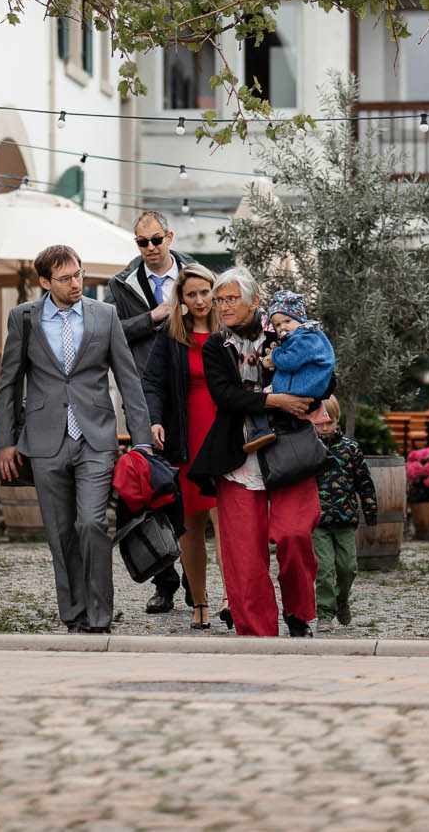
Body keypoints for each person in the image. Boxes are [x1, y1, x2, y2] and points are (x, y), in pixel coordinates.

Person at [0, 243, 151, 634]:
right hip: (45, 441)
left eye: (79, 274)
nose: (76, 282)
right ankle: (75, 613)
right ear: (45, 282)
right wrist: (4, 441)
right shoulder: (23, 319)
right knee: (60, 532)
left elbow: (129, 379)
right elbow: (8, 383)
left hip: (96, 437)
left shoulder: (105, 315)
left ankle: (100, 615)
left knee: (92, 524)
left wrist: (142, 440)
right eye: (65, 278)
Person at [188, 267, 322, 637]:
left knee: (295, 534)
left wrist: (304, 395)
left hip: (290, 451)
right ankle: (257, 636)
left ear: (255, 301)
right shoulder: (217, 345)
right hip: (237, 456)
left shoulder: (286, 332)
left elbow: (324, 379)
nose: (223, 306)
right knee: (244, 558)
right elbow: (224, 396)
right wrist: (276, 398)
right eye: (220, 300)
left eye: (231, 299)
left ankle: (299, 613)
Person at [106, 210, 194, 613]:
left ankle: (199, 585)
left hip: (192, 394)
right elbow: (113, 334)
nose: (151, 248)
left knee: (193, 488)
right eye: (143, 242)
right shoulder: (122, 284)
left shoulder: (196, 274)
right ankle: (165, 581)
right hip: (144, 395)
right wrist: (152, 317)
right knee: (152, 488)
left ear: (169, 236)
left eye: (157, 240)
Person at [140, 262, 224, 629]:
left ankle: (232, 597)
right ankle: (200, 603)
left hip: (225, 438)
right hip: (186, 439)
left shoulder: (231, 330)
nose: (200, 299)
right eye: (191, 294)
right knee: (190, 528)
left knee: (229, 524)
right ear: (182, 299)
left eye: (205, 291)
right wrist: (154, 420)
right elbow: (152, 382)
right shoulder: (172, 335)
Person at [310, 396, 378, 627]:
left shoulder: (351, 448)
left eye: (330, 421)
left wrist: (370, 512)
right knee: (325, 568)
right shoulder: (307, 447)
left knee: (348, 567)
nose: (326, 427)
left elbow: (364, 483)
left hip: (345, 518)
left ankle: (342, 601)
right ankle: (325, 614)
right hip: (318, 520)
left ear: (338, 420)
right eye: (321, 422)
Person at [242, 289, 336, 452]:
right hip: (307, 387)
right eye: (277, 324)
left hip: (299, 388)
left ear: (299, 320)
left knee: (259, 397)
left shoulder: (304, 338)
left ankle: (262, 431)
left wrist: (277, 354)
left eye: (287, 321)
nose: (282, 327)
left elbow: (290, 362)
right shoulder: (308, 336)